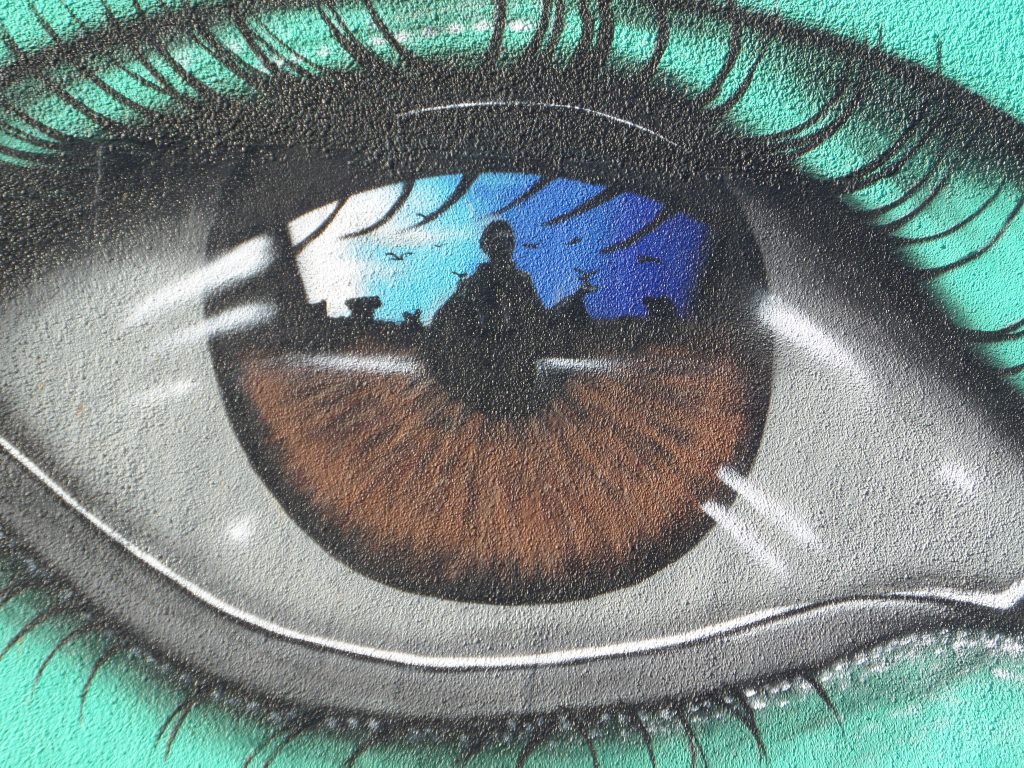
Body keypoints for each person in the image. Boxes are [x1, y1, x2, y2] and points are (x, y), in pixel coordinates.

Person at [424, 220, 548, 417]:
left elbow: (538, 317)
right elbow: (444, 318)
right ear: (486, 246)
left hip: (516, 363)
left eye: (507, 239)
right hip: (483, 363)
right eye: (497, 240)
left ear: (512, 244)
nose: (503, 245)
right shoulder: (473, 283)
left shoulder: (522, 281)